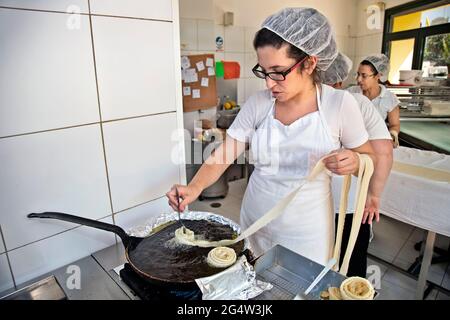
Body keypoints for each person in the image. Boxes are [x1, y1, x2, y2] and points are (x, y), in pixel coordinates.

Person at [167, 8, 376, 265]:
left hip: (308, 232)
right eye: (264, 71)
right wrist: (194, 187)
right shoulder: (258, 104)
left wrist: (355, 161)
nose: (268, 83)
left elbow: (369, 156)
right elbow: (223, 154)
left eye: (277, 71)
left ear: (309, 63)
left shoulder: (340, 105)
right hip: (256, 222)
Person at [321, 53, 393, 277]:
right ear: (341, 80)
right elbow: (384, 152)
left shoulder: (294, 103)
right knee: (351, 261)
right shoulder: (356, 102)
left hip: (310, 202)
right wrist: (373, 195)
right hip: (350, 202)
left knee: (315, 261)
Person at [347, 54, 400, 147]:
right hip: (353, 143)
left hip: (376, 143)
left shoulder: (389, 98)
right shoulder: (351, 93)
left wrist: (392, 135)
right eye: (358, 74)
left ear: (378, 76)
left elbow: (394, 124)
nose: (358, 79)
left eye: (364, 76)